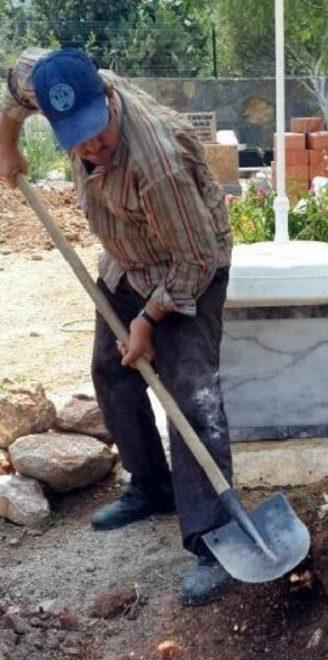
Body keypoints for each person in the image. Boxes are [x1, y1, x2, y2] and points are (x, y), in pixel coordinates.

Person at [0, 47, 235, 607]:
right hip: (127, 258)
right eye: (74, 136)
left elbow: (197, 260)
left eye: (97, 133)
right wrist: (6, 145)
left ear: (108, 96)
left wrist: (148, 321)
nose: (89, 147)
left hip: (187, 268)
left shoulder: (156, 162)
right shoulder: (48, 78)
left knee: (191, 395)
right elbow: (11, 95)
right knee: (111, 371)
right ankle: (151, 487)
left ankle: (216, 540)